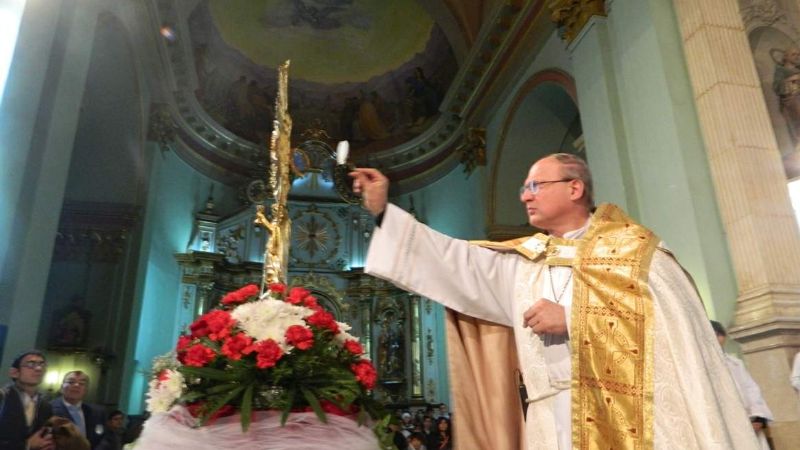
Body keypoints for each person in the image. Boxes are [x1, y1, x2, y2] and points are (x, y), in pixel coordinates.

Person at [350, 153, 760, 449]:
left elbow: (674, 327)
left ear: (575, 187)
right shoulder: (528, 263)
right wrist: (385, 211)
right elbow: (456, 262)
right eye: (523, 189)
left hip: (625, 413)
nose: (525, 197)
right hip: (549, 419)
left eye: (534, 186)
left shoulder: (633, 250)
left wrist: (575, 321)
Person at [711, 320, 774, 450]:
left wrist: (758, 418)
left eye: (720, 335)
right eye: (714, 335)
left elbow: (751, 389)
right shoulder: (702, 367)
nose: (718, 339)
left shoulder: (735, 363)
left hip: (750, 421)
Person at [0, 350, 55, 450]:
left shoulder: (46, 406)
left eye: (42, 364)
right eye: (31, 364)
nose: (38, 368)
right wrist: (26, 445)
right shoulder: (3, 398)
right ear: (14, 373)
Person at [50, 371, 106, 449]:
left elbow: (104, 438)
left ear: (86, 390)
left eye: (82, 383)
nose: (76, 385)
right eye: (71, 382)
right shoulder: (48, 409)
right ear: (61, 387)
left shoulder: (97, 412)